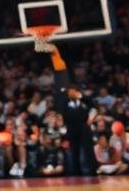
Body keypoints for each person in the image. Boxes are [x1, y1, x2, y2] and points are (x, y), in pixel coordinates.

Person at [49, 44, 94, 176]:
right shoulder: (65, 102)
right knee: (73, 151)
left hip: (84, 128)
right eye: (70, 91)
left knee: (87, 150)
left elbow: (92, 104)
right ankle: (75, 173)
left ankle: (91, 171)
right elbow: (62, 107)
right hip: (71, 128)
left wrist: (81, 97)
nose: (72, 93)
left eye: (74, 91)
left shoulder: (83, 100)